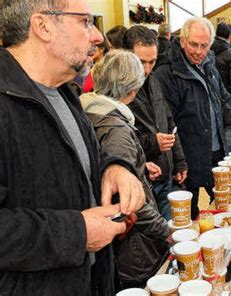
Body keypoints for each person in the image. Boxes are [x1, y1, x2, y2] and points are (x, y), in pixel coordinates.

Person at [0, 0, 145, 294]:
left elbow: (80, 161)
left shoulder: (64, 91)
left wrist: (115, 167)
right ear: (43, 26)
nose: (97, 37)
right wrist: (77, 233)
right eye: (85, 22)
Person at [80, 49, 172, 289]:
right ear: (132, 90)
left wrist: (139, 165)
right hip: (131, 244)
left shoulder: (88, 111)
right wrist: (165, 230)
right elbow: (131, 201)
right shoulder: (117, 128)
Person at [154, 17, 231, 219]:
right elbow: (167, 122)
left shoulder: (209, 64)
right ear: (182, 41)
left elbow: (222, 96)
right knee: (189, 216)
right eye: (193, 44)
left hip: (216, 152)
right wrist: (178, 161)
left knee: (226, 209)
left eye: (204, 45)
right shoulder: (167, 74)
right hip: (188, 157)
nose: (199, 51)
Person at [124, 25, 188, 221]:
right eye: (140, 62)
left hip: (165, 174)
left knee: (170, 231)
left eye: (151, 62)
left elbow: (169, 123)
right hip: (142, 181)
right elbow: (119, 141)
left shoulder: (154, 80)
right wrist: (153, 142)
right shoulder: (118, 89)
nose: (146, 69)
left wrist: (179, 161)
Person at [211, 22, 231, 152]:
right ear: (230, 36)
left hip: (211, 96)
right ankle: (229, 159)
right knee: (230, 127)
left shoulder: (208, 50)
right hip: (228, 97)